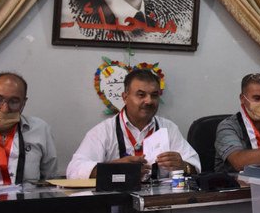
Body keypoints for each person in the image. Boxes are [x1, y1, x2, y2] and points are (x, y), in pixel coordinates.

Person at [67, 69, 200, 179]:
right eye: (141, 95)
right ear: (125, 97)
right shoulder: (104, 131)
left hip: (159, 201)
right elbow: (73, 170)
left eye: (154, 95)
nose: (149, 101)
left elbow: (195, 165)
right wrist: (113, 168)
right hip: (115, 202)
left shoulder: (168, 128)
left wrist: (184, 166)